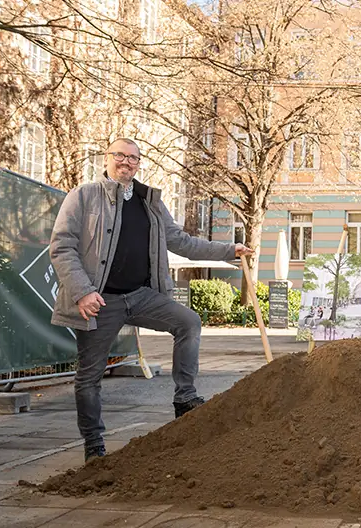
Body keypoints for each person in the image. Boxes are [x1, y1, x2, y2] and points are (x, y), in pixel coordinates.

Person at [49, 138, 252, 463]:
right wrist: (83, 291)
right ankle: (94, 445)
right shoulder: (84, 196)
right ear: (108, 158)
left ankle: (184, 398)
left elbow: (181, 241)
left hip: (141, 295)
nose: (126, 162)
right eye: (120, 156)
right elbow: (62, 246)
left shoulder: (151, 201)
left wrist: (229, 250)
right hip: (100, 300)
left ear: (139, 163)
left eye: (133, 158)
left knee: (188, 322)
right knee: (89, 375)